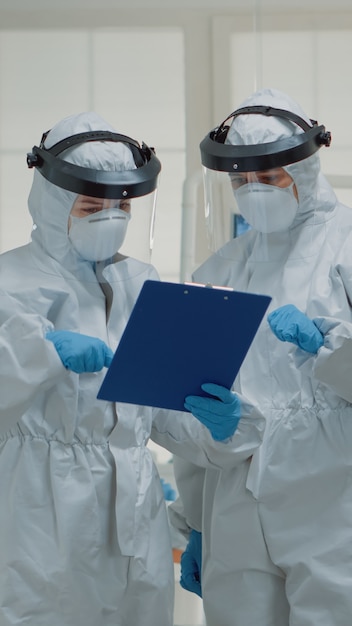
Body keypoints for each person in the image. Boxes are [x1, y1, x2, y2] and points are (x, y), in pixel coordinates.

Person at [0, 111, 265, 626]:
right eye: (91, 205)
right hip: (41, 512)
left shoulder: (139, 284)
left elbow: (157, 412)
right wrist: (41, 350)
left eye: (119, 206)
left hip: (136, 516)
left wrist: (219, 425)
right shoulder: (9, 281)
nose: (109, 217)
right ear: (54, 202)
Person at [169, 88, 352, 626]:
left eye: (267, 177)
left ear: (307, 166)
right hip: (236, 497)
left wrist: (332, 346)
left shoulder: (345, 244)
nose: (253, 191)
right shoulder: (220, 270)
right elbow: (196, 399)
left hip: (332, 489)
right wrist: (196, 520)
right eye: (241, 180)